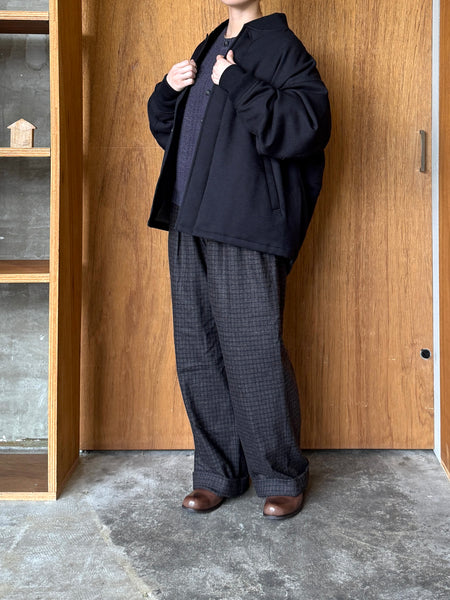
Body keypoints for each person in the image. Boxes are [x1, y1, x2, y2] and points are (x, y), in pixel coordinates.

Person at [146, 0, 331, 520]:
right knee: (198, 351)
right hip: (189, 218)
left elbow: (305, 127)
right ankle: (216, 473)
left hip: (244, 224)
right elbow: (181, 136)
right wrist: (168, 91)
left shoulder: (280, 47)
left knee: (254, 350)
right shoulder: (209, 47)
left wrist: (237, 83)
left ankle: (279, 476)